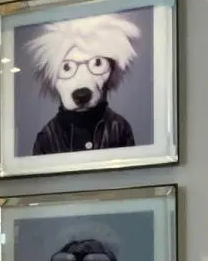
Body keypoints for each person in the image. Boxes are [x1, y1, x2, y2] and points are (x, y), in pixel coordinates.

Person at [26, 13, 139, 155]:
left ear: (112, 68)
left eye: (97, 63)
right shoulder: (47, 138)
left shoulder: (119, 128)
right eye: (67, 67)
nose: (82, 83)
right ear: (51, 76)